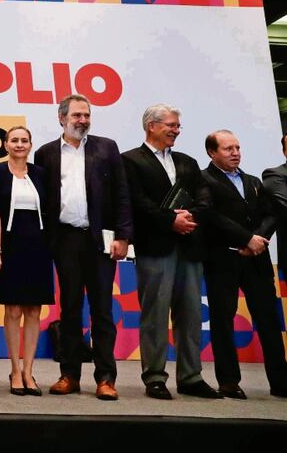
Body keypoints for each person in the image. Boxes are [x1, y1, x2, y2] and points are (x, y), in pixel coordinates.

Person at [34, 94, 132, 401]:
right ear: (61, 118)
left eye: (87, 115)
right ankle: (69, 375)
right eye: (77, 115)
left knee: (102, 310)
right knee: (71, 309)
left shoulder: (107, 147)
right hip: (65, 240)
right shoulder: (46, 153)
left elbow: (122, 194)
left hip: (101, 240)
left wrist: (124, 237)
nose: (83, 120)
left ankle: (105, 378)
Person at [121, 104, 219, 400]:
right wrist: (170, 221)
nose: (176, 130)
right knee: (155, 313)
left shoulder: (187, 162)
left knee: (191, 314)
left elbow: (205, 198)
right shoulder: (130, 161)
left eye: (177, 126)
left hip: (189, 248)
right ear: (152, 126)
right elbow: (136, 202)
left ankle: (191, 377)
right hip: (155, 248)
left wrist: (186, 219)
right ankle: (154, 377)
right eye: (172, 125)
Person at [200, 130, 287, 399]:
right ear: (212, 153)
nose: (235, 152)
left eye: (237, 147)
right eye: (228, 149)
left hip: (256, 260)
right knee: (222, 320)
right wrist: (246, 238)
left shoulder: (253, 181)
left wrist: (259, 239)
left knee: (269, 320)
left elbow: (271, 213)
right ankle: (228, 381)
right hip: (222, 259)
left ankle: (280, 382)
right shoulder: (203, 180)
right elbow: (210, 216)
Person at [0, 126, 51, 397]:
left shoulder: (41, 174)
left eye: (24, 140)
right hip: (9, 245)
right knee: (13, 309)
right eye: (14, 140)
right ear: (5, 144)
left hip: (38, 245)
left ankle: (29, 371)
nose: (19, 144)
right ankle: (15, 370)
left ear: (30, 144)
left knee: (34, 311)